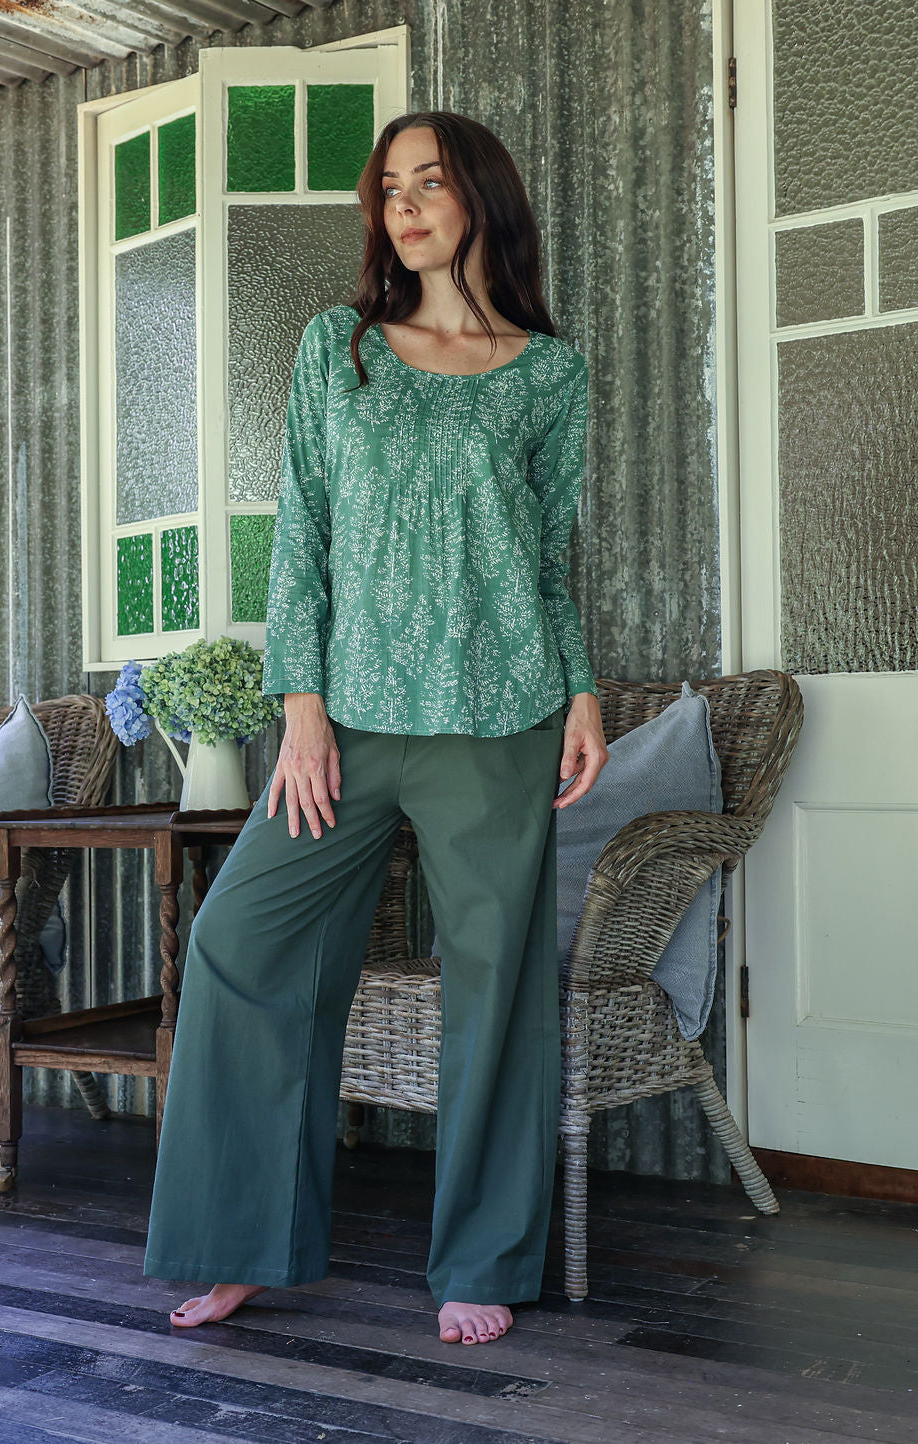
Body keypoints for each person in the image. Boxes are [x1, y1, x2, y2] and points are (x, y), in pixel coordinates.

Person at [142, 110, 609, 1347]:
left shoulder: (548, 371)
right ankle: (243, 1240)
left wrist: (583, 692)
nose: (402, 204)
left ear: (479, 199)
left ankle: (482, 1260)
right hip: (343, 722)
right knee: (242, 946)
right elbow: (301, 532)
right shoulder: (336, 348)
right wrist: (300, 707)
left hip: (500, 710)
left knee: (496, 987)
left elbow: (551, 558)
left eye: (429, 181)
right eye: (387, 186)